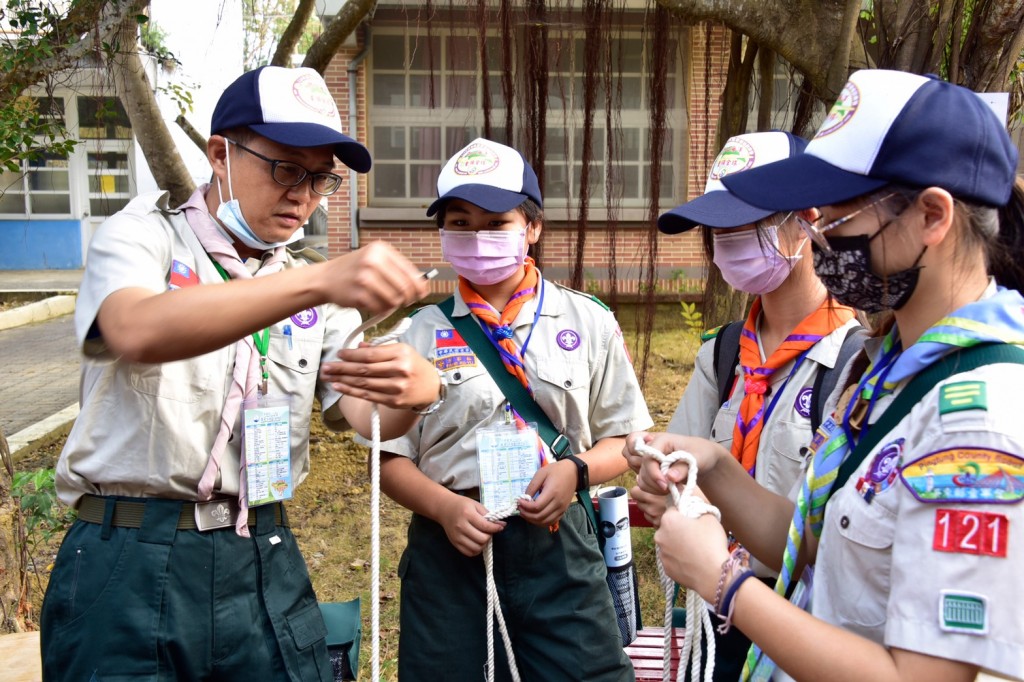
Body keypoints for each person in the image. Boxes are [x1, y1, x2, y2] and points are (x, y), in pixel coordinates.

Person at [40, 66, 442, 681]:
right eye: (286, 168)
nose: (303, 196)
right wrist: (310, 283)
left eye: (321, 179)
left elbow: (362, 414)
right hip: (128, 557)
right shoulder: (143, 237)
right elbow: (134, 328)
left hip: (262, 550)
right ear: (220, 153)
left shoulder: (315, 286)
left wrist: (415, 392)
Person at [627, 68, 1024, 681]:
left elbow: (921, 677)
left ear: (932, 216)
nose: (818, 239)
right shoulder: (886, 365)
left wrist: (726, 584)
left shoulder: (978, 418)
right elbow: (822, 544)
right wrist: (717, 467)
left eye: (838, 218)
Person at [327, 137, 653, 680]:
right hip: (451, 550)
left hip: (558, 545)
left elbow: (626, 439)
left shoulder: (587, 321)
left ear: (533, 228)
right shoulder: (418, 332)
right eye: (459, 222)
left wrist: (575, 472)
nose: (477, 237)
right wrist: (445, 509)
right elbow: (387, 459)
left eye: (496, 222)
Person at [651, 130, 866, 680]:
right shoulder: (724, 353)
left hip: (805, 616)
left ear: (809, 220)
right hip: (713, 610)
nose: (728, 241)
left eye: (747, 223)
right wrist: (663, 486)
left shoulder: (857, 360)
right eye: (718, 229)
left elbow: (834, 539)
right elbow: (682, 474)